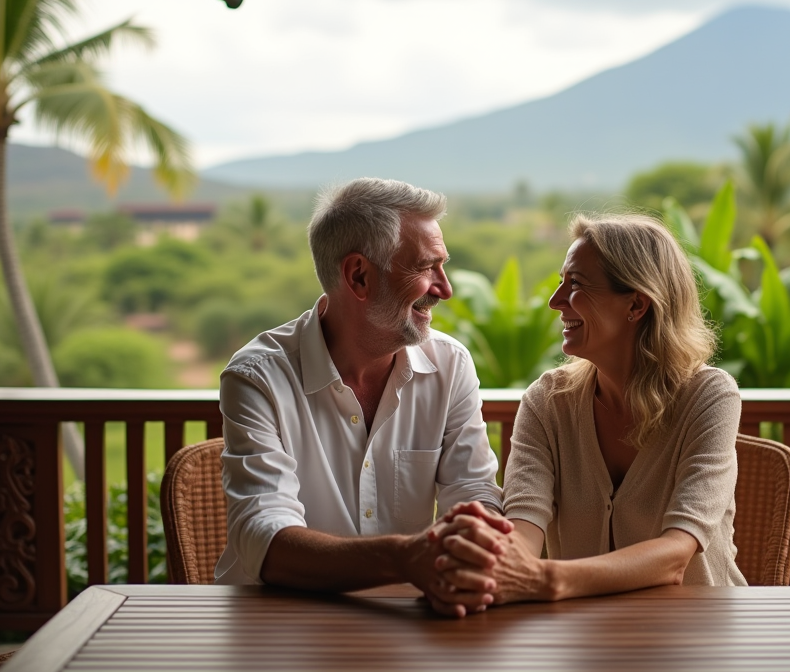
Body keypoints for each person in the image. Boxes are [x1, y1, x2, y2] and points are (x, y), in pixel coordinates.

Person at [215, 177, 509, 617]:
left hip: (404, 621)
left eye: (442, 265)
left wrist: (475, 541)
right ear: (358, 276)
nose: (444, 288)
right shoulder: (258, 376)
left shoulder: (450, 365)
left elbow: (474, 490)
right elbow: (264, 537)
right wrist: (404, 558)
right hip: (278, 625)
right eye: (426, 267)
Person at [431, 212, 746, 604]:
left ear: (636, 305)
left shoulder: (709, 396)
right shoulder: (547, 403)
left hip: (700, 638)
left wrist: (544, 580)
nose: (554, 301)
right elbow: (523, 530)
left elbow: (674, 556)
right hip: (583, 643)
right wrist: (485, 567)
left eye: (575, 284)